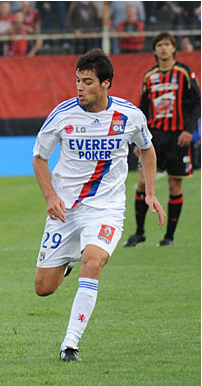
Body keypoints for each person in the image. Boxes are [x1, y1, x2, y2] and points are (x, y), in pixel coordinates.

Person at [32, 48, 165, 362]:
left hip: (106, 208)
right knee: (43, 288)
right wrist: (50, 196)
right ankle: (66, 262)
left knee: (93, 261)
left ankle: (70, 345)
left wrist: (149, 192)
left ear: (106, 84)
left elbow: (147, 149)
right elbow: (39, 157)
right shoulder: (62, 115)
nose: (80, 87)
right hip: (65, 210)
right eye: (78, 80)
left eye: (88, 81)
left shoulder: (129, 116)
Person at [124, 32, 201, 247]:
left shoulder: (184, 73)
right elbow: (143, 109)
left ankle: (169, 237)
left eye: (167, 44)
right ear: (155, 50)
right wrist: (138, 140)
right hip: (154, 137)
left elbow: (197, 103)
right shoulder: (149, 77)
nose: (164, 48)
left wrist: (189, 130)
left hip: (178, 138)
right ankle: (139, 232)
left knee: (174, 185)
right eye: (160, 45)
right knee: (142, 182)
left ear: (174, 49)